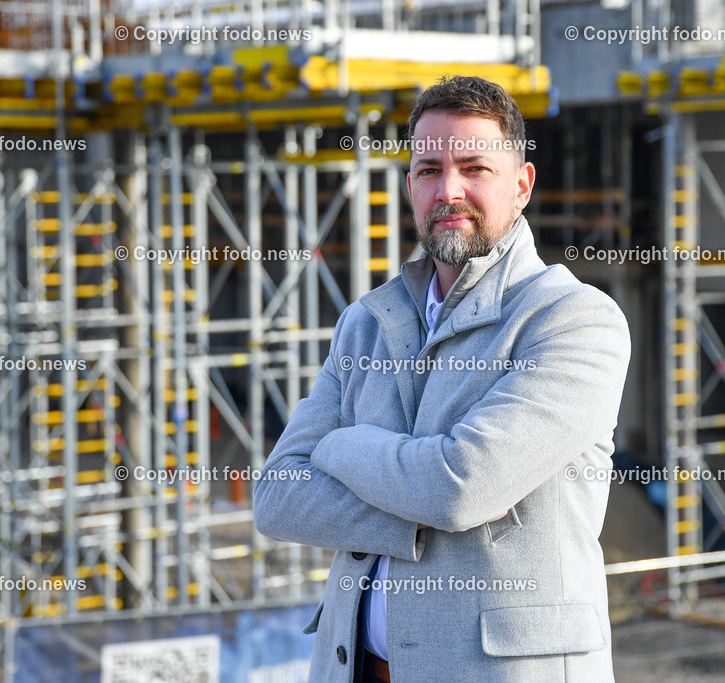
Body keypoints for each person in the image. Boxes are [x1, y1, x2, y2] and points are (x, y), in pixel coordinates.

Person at [254, 75, 630, 682]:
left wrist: (338, 447)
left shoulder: (572, 321)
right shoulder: (366, 324)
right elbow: (278, 497)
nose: (448, 190)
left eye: (474, 167)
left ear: (522, 185)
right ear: (410, 187)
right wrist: (417, 496)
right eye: (429, 170)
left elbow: (460, 487)